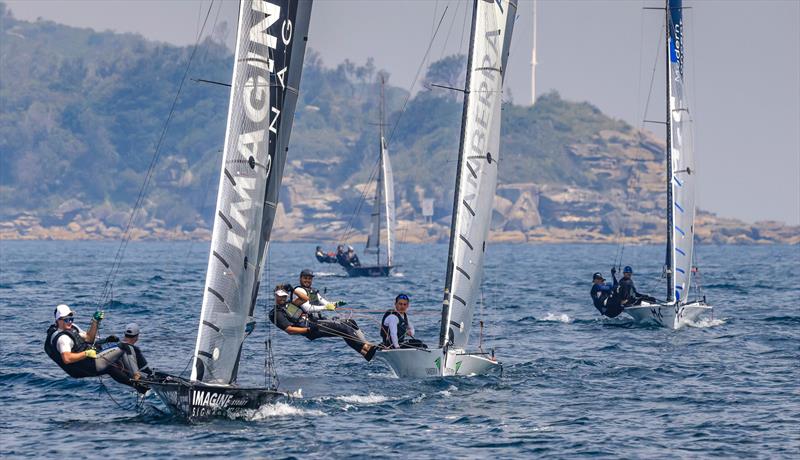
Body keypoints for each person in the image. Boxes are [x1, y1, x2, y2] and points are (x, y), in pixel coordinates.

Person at [271, 282, 379, 361]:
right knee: (343, 328)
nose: (282, 298)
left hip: (315, 322)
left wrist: (292, 289)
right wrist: (308, 329)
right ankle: (367, 349)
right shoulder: (276, 313)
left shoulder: (290, 304)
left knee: (349, 322)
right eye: (280, 296)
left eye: (284, 296)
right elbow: (289, 330)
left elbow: (305, 298)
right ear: (275, 295)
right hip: (311, 329)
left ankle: (366, 351)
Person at [44, 304, 130, 379]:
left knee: (113, 362)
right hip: (80, 369)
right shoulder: (63, 338)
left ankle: (138, 383)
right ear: (59, 320)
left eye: (71, 319)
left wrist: (95, 321)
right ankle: (136, 377)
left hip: (86, 358)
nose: (70, 322)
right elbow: (67, 359)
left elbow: (89, 339)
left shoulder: (72, 327)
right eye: (67, 320)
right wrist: (86, 353)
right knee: (124, 348)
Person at [105, 323, 153, 394]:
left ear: (125, 334)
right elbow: (132, 364)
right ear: (136, 336)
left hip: (129, 379)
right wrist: (137, 377)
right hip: (145, 378)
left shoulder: (118, 346)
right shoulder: (129, 348)